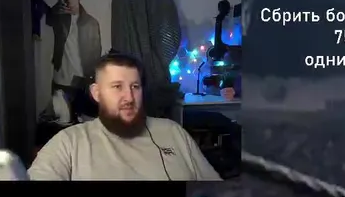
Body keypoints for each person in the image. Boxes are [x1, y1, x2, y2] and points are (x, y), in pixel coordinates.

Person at [29, 52, 220, 181]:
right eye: (117, 87)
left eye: (135, 86)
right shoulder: (69, 142)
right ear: (96, 93)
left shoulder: (173, 132)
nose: (129, 97)